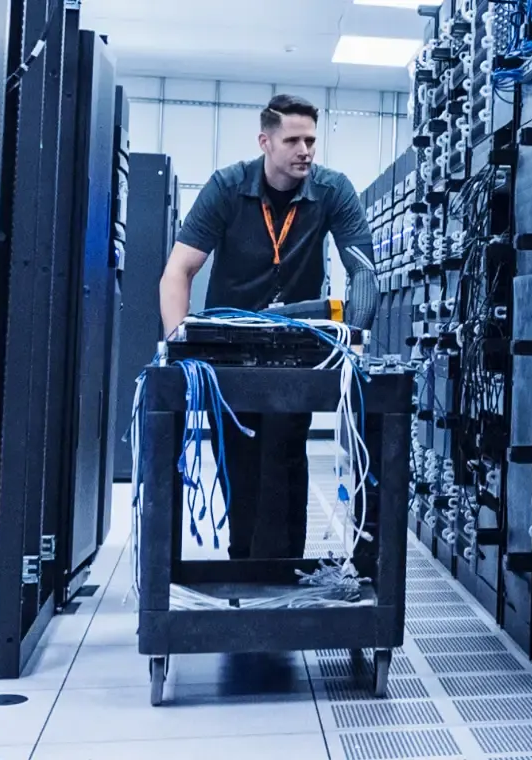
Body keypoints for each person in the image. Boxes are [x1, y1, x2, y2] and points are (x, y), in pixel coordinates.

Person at [160, 94, 375, 560]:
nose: (305, 150)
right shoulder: (226, 187)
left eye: (311, 141)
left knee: (283, 454)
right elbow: (178, 271)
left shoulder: (333, 191)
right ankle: (244, 567)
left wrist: (353, 339)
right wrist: (178, 350)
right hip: (229, 348)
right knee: (237, 457)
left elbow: (364, 274)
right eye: (293, 140)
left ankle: (280, 574)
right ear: (265, 141)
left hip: (294, 349)